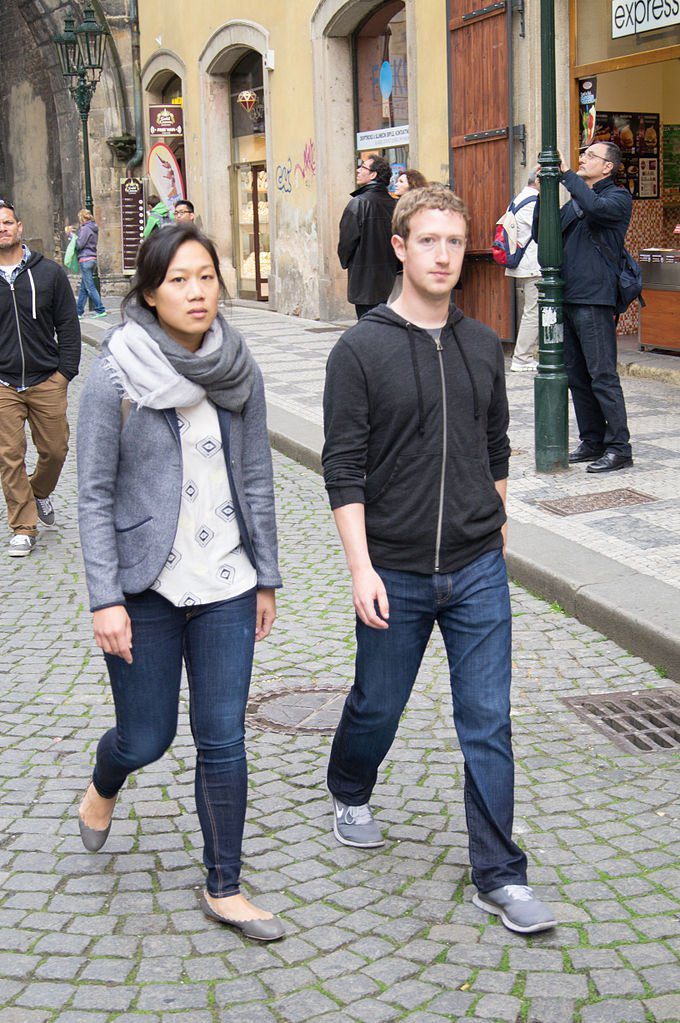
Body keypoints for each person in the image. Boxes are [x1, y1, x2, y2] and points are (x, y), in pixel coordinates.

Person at [322, 183, 557, 936]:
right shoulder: (360, 349)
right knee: (377, 704)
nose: (444, 255)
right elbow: (345, 468)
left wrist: (498, 528)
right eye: (429, 240)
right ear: (400, 247)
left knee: (487, 718)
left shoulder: (483, 343)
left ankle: (500, 873)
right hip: (393, 568)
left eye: (454, 242)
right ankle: (349, 786)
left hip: (478, 568)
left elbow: (495, 449)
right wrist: (361, 567)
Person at [76, 224, 284, 942]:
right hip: (145, 589)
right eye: (179, 280)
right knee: (147, 736)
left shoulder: (238, 366)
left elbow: (256, 475)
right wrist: (105, 596)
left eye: (206, 276)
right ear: (150, 292)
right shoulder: (115, 374)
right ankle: (104, 783)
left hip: (226, 579)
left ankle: (224, 884)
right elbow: (92, 494)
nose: (197, 292)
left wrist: (266, 574)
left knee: (223, 735)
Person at [0, 199, 81, 557]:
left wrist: (65, 373)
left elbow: (67, 324)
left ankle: (39, 492)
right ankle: (23, 525)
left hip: (47, 378)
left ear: (19, 227)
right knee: (9, 456)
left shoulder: (48, 273)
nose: (2, 228)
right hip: (3, 384)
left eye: (6, 222)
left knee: (55, 449)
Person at [557, 143, 633, 473]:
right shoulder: (575, 202)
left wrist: (566, 176)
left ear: (607, 168)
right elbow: (543, 230)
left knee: (602, 376)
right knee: (577, 376)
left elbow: (595, 207)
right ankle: (592, 440)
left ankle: (619, 448)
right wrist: (543, 189)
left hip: (594, 298)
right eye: (582, 154)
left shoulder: (617, 198)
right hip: (569, 297)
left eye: (590, 156)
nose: (582, 158)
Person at [338, 154, 399, 319]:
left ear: (373, 175)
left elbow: (346, 243)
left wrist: (348, 262)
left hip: (364, 276)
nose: (358, 170)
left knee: (367, 323)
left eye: (363, 167)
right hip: (389, 276)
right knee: (385, 322)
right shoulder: (394, 204)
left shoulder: (358, 203)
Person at [506, 171, 540, 373]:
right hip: (533, 264)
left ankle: (525, 354)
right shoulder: (532, 201)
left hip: (527, 264)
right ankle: (522, 357)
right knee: (533, 311)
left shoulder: (520, 198)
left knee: (533, 310)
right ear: (537, 180)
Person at [66, 209, 107, 319]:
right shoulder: (93, 227)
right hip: (92, 258)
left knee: (90, 287)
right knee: (84, 288)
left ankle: (100, 309)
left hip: (85, 259)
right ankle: (78, 312)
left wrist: (71, 236)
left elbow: (79, 245)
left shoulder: (85, 229)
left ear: (83, 218)